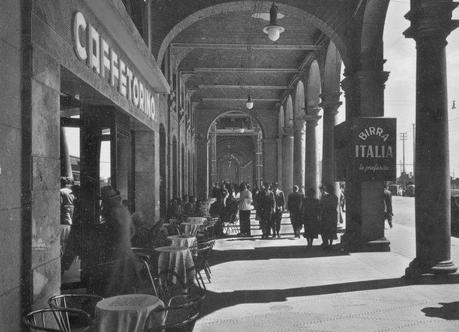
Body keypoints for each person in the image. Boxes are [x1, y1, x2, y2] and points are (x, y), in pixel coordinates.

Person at [88, 186, 141, 297]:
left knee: (111, 286)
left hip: (114, 255)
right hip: (127, 252)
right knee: (127, 285)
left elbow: (109, 236)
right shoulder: (124, 210)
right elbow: (132, 231)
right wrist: (124, 241)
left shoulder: (110, 212)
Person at [60, 177, 74, 266]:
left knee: (61, 240)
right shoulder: (70, 192)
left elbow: (60, 204)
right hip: (70, 216)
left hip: (63, 218)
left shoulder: (61, 191)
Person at [319, 184, 339, 249]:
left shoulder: (325, 197)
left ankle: (326, 243)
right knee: (332, 229)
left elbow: (321, 205)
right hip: (333, 214)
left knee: (325, 229)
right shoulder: (335, 197)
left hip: (326, 214)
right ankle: (330, 244)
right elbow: (336, 205)